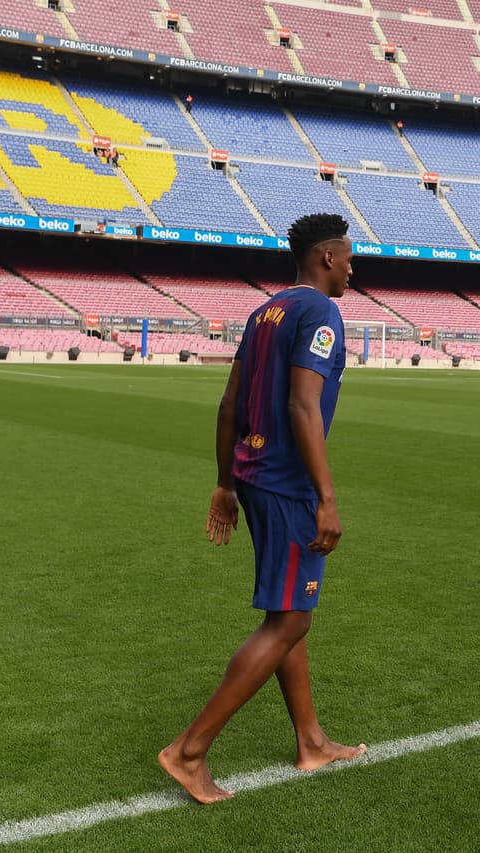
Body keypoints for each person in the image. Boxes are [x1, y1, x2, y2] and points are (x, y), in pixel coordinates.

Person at [159, 213, 365, 804]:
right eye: (348, 257)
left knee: (288, 608)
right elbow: (304, 406)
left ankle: (311, 742)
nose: (353, 267)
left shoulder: (264, 311)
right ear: (326, 258)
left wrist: (225, 482)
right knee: (291, 619)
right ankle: (189, 752)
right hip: (287, 484)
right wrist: (326, 497)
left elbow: (230, 403)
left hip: (251, 474)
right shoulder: (320, 312)